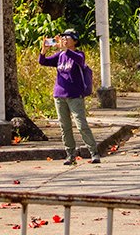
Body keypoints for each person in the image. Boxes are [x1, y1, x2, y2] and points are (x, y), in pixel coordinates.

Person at [39, 27, 100, 164]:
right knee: (64, 126)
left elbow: (80, 61)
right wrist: (44, 50)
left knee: (81, 125)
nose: (64, 40)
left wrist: (66, 50)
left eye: (67, 38)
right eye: (63, 38)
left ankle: (94, 152)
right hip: (59, 95)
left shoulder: (79, 55)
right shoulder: (60, 56)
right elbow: (43, 62)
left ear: (75, 41)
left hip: (75, 96)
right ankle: (70, 155)